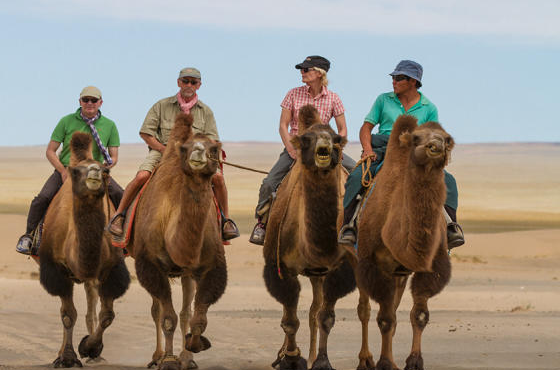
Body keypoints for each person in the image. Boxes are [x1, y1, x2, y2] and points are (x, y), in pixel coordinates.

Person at [338, 60, 464, 248]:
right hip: (384, 149)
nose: (394, 81)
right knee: (356, 177)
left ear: (413, 81)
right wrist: (368, 150)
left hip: (415, 153)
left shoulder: (428, 107)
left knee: (449, 182)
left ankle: (450, 227)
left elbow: (433, 135)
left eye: (399, 78)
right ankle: (349, 225)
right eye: (393, 78)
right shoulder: (383, 100)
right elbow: (366, 128)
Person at [107, 67, 239, 241]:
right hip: (162, 153)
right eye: (185, 81)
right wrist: (165, 150)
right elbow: (146, 133)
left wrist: (200, 151)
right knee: (141, 176)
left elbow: (213, 139)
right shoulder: (161, 106)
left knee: (218, 179)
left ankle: (225, 220)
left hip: (195, 158)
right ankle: (119, 216)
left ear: (199, 85)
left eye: (193, 82)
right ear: (179, 83)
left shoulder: (205, 111)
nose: (189, 85)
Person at [248, 55, 355, 245]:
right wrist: (292, 149)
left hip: (325, 148)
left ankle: (355, 224)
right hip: (298, 147)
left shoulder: (333, 98)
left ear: (319, 73)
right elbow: (283, 125)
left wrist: (336, 148)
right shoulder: (293, 94)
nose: (302, 73)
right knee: (269, 183)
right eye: (302, 69)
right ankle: (262, 224)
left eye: (306, 69)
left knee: (357, 175)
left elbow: (343, 129)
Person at [15, 86, 123, 255]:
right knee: (42, 198)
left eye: (93, 100)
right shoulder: (66, 121)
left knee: (120, 194)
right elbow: (50, 151)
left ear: (100, 103)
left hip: (94, 173)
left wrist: (103, 169)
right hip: (67, 170)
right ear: (79, 101)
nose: (89, 103)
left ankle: (124, 237)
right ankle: (29, 237)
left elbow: (114, 156)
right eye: (85, 100)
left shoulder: (110, 125)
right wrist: (62, 170)